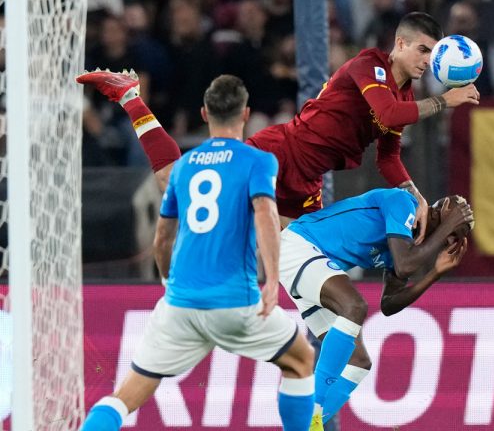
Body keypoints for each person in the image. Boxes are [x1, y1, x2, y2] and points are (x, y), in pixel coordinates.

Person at [77, 11, 481, 244]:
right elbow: (388, 114)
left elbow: (389, 158)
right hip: (279, 154)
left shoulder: (407, 98)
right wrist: (447, 101)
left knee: (302, 255)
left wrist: (418, 199)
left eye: (435, 53)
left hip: (308, 182)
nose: (428, 60)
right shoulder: (369, 65)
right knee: (173, 183)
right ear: (400, 44)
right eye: (424, 50)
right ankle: (130, 96)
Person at [79, 75, 316, 431]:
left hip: (179, 305)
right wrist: (270, 280)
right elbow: (266, 216)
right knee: (300, 362)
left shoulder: (186, 166)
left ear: (204, 113)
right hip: (236, 302)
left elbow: (162, 238)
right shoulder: (259, 160)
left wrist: (165, 280)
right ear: (247, 114)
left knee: (125, 396)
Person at [279, 188, 473, 430]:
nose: (450, 239)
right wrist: (448, 226)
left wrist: (435, 273)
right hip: (300, 245)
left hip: (312, 266)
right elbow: (405, 266)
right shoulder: (404, 202)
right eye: (453, 230)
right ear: (440, 209)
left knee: (358, 362)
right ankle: (312, 414)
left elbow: (389, 303)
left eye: (454, 237)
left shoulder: (405, 243)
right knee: (354, 306)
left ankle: (301, 426)